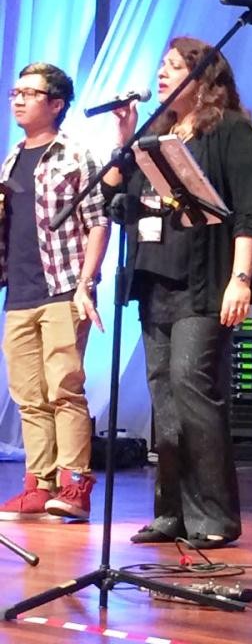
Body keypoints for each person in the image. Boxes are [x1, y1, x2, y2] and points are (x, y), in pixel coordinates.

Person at [102, 37, 252, 550]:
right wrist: (125, 139)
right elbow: (110, 195)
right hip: (155, 283)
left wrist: (241, 279)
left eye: (173, 66)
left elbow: (249, 212)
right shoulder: (154, 136)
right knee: (164, 401)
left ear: (203, 77)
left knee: (193, 390)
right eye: (160, 65)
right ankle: (170, 512)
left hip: (205, 285)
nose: (161, 74)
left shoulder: (229, 130)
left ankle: (213, 516)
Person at [0, 62, 109, 521]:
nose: (18, 100)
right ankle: (38, 484)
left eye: (30, 93)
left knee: (65, 387)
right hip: (19, 292)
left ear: (56, 104)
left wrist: (87, 283)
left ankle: (75, 484)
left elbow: (99, 223)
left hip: (63, 287)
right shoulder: (10, 158)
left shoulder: (75, 155)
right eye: (15, 92)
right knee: (28, 394)